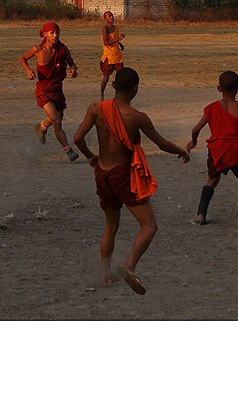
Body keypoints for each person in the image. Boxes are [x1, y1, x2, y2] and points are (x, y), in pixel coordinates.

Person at [73, 67, 189, 295]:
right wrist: (181, 151)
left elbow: (78, 138)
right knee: (149, 225)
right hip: (122, 175)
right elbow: (162, 144)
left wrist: (90, 156)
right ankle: (130, 265)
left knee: (111, 225)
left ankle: (106, 274)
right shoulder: (137, 117)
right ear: (136, 88)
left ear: (114, 86)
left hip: (102, 173)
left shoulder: (96, 108)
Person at [186, 71, 238, 227]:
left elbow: (196, 129)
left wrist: (193, 142)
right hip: (237, 151)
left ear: (218, 88)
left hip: (217, 151)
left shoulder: (211, 108)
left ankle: (201, 215)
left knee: (212, 180)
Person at [20, 22, 80, 161]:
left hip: (58, 90)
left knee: (57, 118)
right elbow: (23, 58)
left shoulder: (63, 50)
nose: (55, 35)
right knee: (57, 121)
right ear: (44, 34)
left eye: (57, 32)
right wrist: (28, 71)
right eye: (52, 32)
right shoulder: (37, 49)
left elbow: (72, 63)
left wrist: (74, 69)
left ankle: (42, 126)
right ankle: (69, 150)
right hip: (44, 90)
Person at [99, 10, 125, 100]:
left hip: (117, 56)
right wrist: (119, 39)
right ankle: (102, 94)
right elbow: (106, 42)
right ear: (105, 19)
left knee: (121, 77)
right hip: (109, 57)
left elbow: (114, 40)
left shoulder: (116, 28)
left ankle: (119, 96)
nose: (112, 17)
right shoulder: (105, 29)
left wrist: (120, 44)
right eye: (109, 16)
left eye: (112, 15)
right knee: (106, 78)